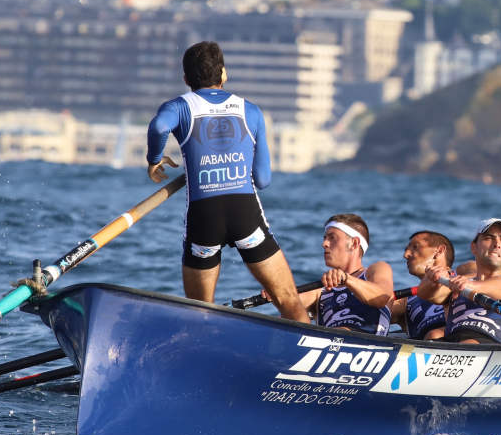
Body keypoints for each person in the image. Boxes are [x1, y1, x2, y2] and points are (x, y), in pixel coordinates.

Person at [146, 40, 303, 319]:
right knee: (288, 300)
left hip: (204, 218)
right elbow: (263, 180)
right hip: (245, 214)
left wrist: (154, 159)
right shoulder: (251, 111)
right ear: (224, 74)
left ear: (186, 79)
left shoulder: (180, 107)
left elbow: (158, 126)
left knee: (200, 312)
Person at [419, 219, 501, 345]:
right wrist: (433, 279)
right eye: (488, 238)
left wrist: (470, 285)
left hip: (493, 349)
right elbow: (425, 294)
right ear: (473, 247)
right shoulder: (460, 281)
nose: (497, 244)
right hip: (454, 344)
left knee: (468, 343)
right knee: (433, 335)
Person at [298, 213, 394, 334]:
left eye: (332, 238)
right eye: (325, 238)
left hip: (367, 346)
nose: (324, 244)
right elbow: (291, 303)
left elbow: (382, 297)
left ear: (354, 243)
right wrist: (278, 293)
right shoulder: (320, 290)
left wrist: (347, 279)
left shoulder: (376, 270)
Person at [390, 230, 454, 340]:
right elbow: (371, 315)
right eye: (406, 250)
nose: (406, 255)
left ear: (439, 250)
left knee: (435, 335)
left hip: (464, 335)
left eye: (415, 247)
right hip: (429, 346)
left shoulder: (465, 273)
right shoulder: (405, 302)